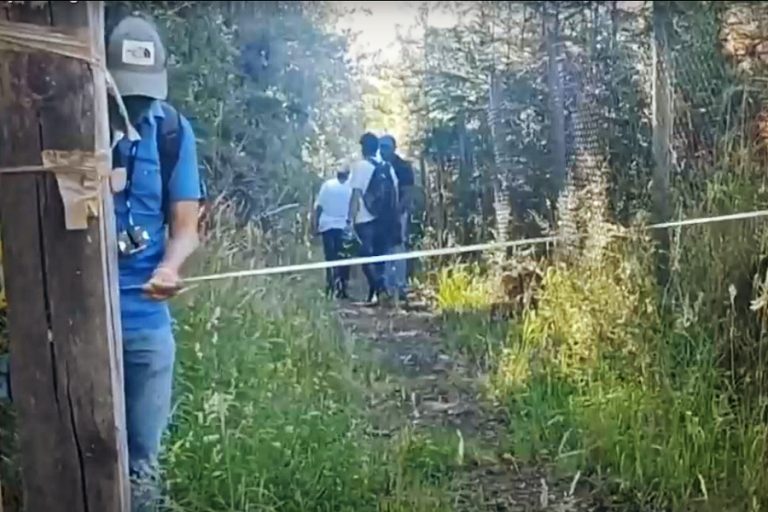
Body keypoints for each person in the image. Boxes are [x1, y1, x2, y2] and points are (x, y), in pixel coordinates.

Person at [107, 16, 204, 510]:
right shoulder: (67, 121)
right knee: (86, 453)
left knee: (143, 463)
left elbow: (186, 227)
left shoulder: (172, 130)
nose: (137, 103)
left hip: (145, 325)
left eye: (146, 92)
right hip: (77, 327)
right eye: (128, 92)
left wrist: (170, 268)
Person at [348, 133, 399, 304]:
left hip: (365, 219)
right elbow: (395, 194)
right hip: (384, 219)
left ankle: (379, 287)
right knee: (379, 258)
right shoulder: (387, 167)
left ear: (363, 148)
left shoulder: (359, 166)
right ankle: (375, 294)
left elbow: (356, 195)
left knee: (365, 257)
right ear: (377, 148)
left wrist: (350, 219)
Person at [379, 135, 415, 300]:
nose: (383, 150)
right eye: (381, 146)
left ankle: (400, 285)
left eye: (386, 146)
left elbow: (408, 192)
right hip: (381, 215)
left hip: (399, 213)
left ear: (394, 147)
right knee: (385, 248)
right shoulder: (379, 167)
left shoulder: (403, 167)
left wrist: (398, 211)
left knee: (399, 246)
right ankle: (387, 286)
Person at [313, 163, 353, 299]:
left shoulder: (327, 186)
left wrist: (315, 225)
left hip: (327, 226)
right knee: (344, 257)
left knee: (330, 257)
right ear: (348, 174)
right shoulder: (351, 187)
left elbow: (319, 207)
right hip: (344, 227)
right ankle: (343, 288)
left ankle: (330, 286)